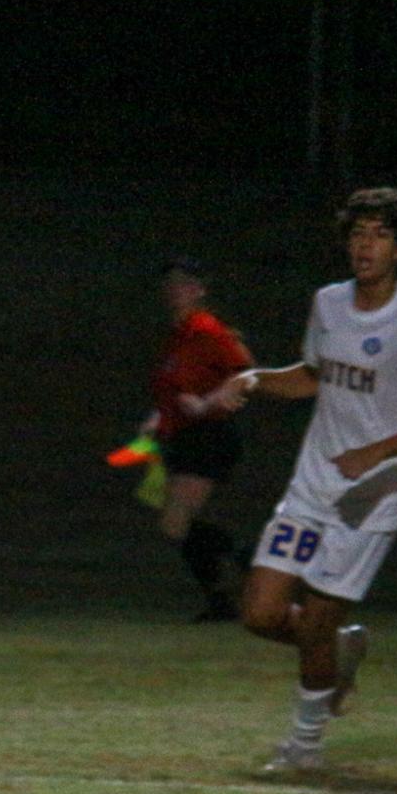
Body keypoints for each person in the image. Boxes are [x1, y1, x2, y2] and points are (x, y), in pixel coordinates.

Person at [203, 187, 397, 772]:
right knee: (262, 614)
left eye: (379, 235)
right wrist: (253, 379)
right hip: (312, 487)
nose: (364, 245)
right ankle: (338, 651)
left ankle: (303, 746)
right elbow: (313, 377)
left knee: (317, 618)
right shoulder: (329, 303)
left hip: (371, 502)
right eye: (357, 233)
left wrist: (375, 453)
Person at [139, 257, 256, 621]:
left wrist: (211, 402)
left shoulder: (205, 328)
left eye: (185, 283)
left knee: (176, 523)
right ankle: (228, 589)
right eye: (171, 283)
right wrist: (159, 416)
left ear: (200, 289)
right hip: (186, 436)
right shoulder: (177, 335)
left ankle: (250, 569)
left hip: (209, 436)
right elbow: (176, 389)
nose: (176, 290)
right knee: (176, 524)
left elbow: (247, 371)